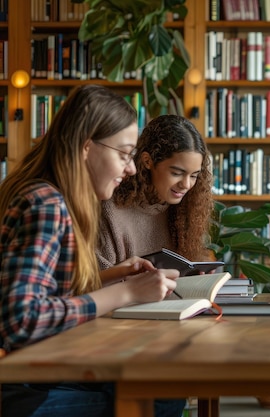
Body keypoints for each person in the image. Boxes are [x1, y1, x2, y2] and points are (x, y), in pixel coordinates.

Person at [0, 84, 185, 417]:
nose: (130, 169)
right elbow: (22, 320)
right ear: (87, 147)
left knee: (163, 385)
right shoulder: (46, 203)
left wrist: (116, 274)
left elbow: (47, 293)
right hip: (29, 391)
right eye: (124, 154)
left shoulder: (49, 195)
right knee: (164, 398)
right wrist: (126, 294)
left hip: (39, 375)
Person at [97, 114, 213, 269]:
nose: (186, 184)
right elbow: (95, 283)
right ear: (147, 161)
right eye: (177, 173)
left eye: (194, 175)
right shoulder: (110, 210)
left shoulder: (187, 210)